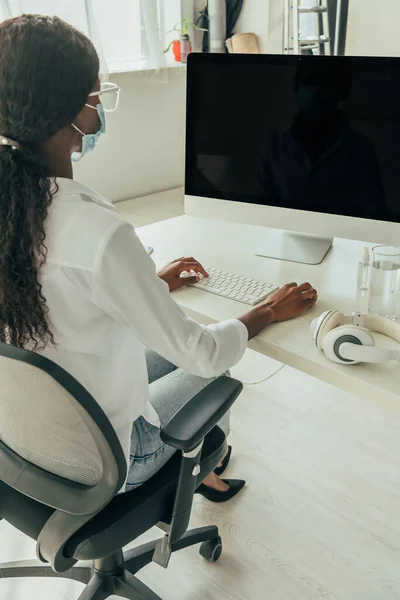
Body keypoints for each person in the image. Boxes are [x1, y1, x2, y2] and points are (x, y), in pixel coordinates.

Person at [0, 15, 317, 501]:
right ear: (74, 112)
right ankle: (202, 463)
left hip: (24, 443)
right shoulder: (97, 232)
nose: (99, 103)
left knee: (164, 353)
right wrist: (268, 311)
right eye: (95, 92)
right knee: (216, 366)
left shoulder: (14, 207)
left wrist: (148, 283)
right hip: (110, 459)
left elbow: (59, 293)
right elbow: (202, 353)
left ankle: (201, 465)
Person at [258, 61, 388, 220]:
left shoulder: (360, 148)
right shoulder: (274, 144)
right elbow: (261, 207)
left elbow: (374, 213)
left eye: (326, 83)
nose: (316, 91)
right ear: (297, 88)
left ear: (341, 91)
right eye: (309, 82)